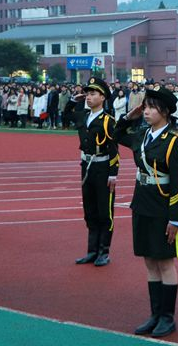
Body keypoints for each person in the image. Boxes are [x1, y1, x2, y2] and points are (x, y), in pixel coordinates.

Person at [115, 86, 178, 338]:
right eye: (145, 107)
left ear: (165, 112)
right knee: (149, 260)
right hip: (142, 203)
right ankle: (155, 314)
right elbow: (115, 134)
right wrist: (128, 117)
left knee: (164, 262)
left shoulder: (175, 143)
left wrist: (175, 220)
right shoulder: (142, 135)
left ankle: (167, 317)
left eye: (151, 108)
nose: (146, 112)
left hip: (162, 207)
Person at [65, 77, 119, 267]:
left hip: (102, 167)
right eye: (87, 94)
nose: (88, 97)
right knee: (90, 210)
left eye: (93, 94)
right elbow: (66, 115)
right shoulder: (83, 116)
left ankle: (104, 251)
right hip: (86, 166)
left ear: (103, 97)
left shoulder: (108, 121)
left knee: (105, 211)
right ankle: (92, 251)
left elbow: (114, 149)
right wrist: (74, 100)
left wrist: (113, 174)